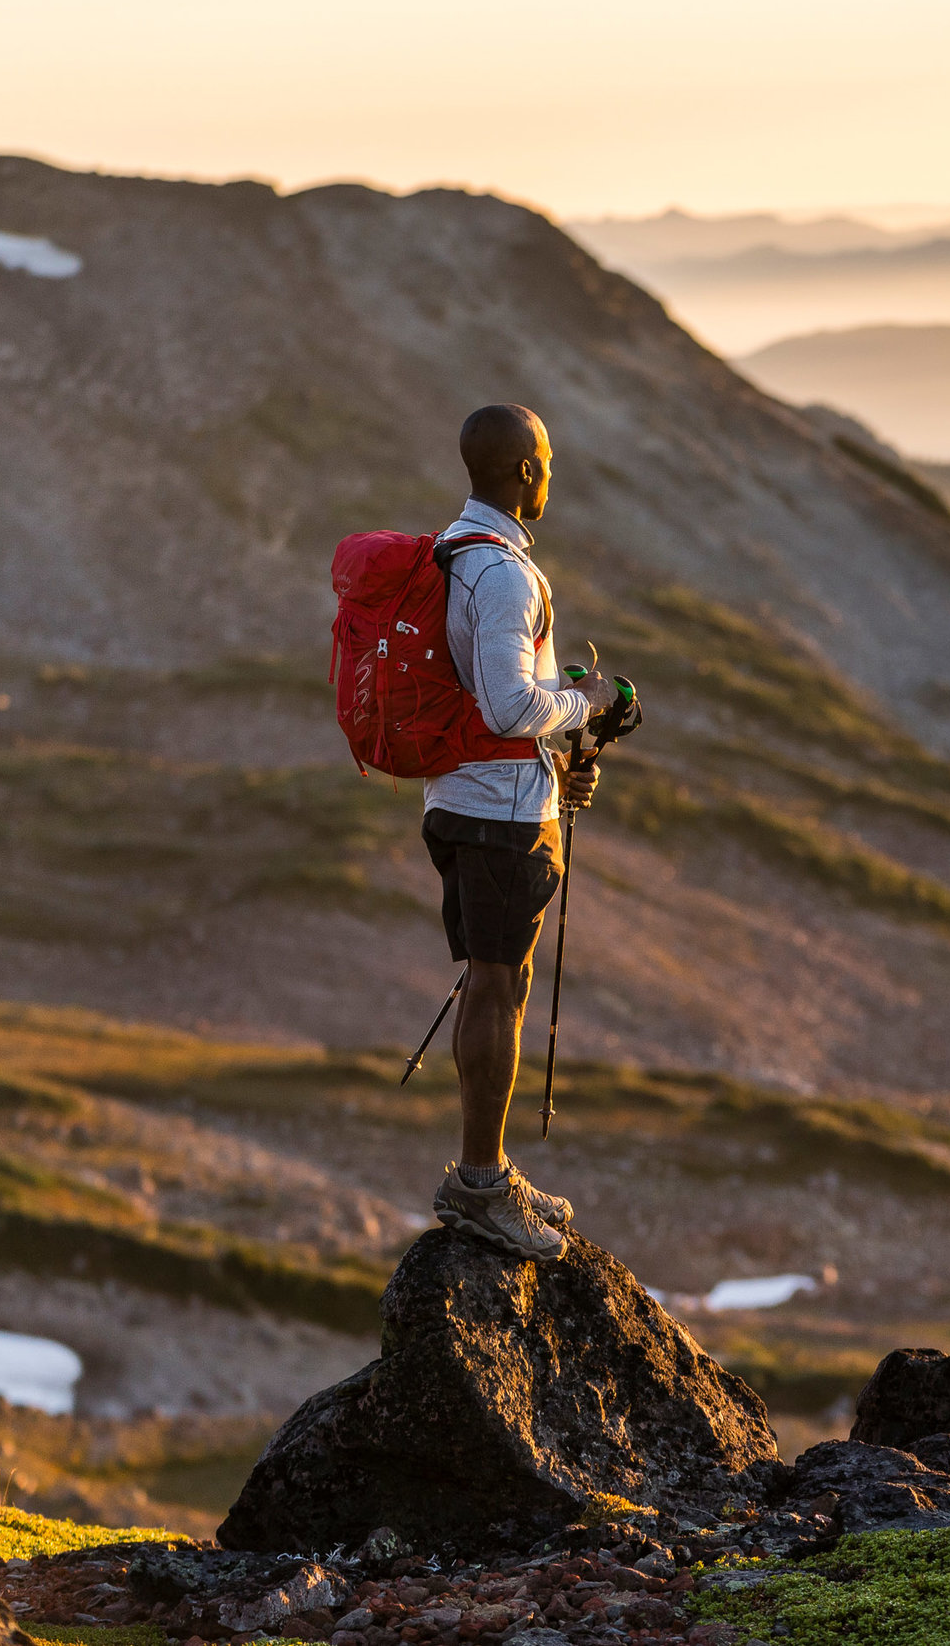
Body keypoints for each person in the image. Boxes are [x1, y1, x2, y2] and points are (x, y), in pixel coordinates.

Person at [422, 404, 615, 1261]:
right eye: (545, 460)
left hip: (465, 795)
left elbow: (489, 695)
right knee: (498, 989)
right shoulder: (503, 575)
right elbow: (507, 705)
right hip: (500, 812)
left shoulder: (452, 553)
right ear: (522, 472)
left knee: (493, 982)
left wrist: (556, 740)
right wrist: (580, 704)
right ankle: (480, 1184)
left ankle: (488, 1166)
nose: (551, 474)